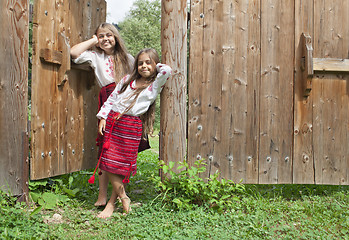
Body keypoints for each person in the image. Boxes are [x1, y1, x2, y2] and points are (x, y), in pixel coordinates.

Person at [92, 48, 171, 218]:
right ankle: (123, 197)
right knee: (108, 161)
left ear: (155, 64)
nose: (144, 66)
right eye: (140, 63)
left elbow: (167, 70)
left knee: (122, 166)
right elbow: (112, 98)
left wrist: (156, 67)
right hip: (113, 121)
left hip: (131, 125)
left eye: (148, 62)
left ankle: (112, 204)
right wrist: (103, 117)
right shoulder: (128, 80)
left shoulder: (155, 84)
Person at [70, 22, 134, 207]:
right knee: (105, 148)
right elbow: (74, 53)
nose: (105, 39)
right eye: (101, 36)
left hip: (124, 101)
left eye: (109, 35)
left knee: (120, 148)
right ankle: (102, 195)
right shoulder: (94, 56)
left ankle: (120, 195)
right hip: (107, 99)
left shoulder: (128, 59)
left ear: (116, 38)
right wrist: (92, 39)